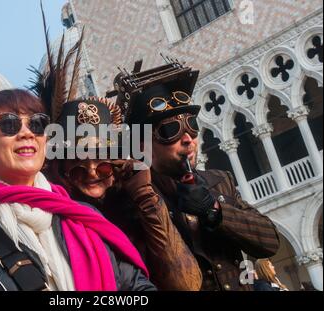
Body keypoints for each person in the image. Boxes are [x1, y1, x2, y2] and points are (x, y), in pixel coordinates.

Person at [0, 89, 155, 291]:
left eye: (37, 123)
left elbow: (136, 288)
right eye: (9, 124)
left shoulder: (85, 217)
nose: (27, 132)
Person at [111, 59, 281, 291]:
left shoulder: (219, 181)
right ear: (142, 146)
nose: (188, 138)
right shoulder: (131, 201)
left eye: (192, 126)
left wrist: (214, 210)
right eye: (170, 130)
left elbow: (270, 241)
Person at [44, 97, 202, 291]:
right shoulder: (61, 220)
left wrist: (144, 196)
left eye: (102, 162)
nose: (92, 171)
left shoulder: (142, 201)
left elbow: (186, 284)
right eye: (78, 165)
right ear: (62, 169)